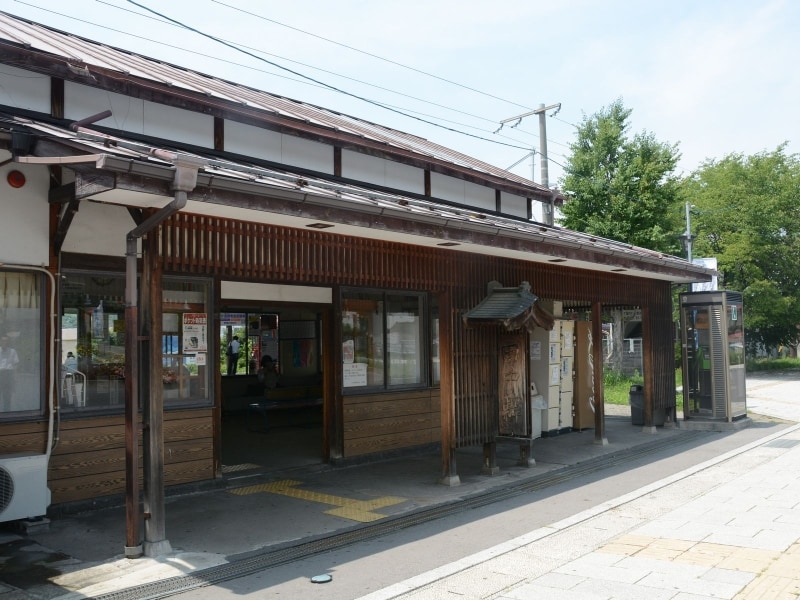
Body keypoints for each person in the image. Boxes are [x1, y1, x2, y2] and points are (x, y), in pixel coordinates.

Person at [0, 335, 20, 411]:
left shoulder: (12, 351)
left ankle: (7, 412)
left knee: (7, 396)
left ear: (8, 342)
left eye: (6, 341)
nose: (4, 342)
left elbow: (15, 365)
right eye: (3, 340)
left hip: (8, 374)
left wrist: (15, 377)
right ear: (0, 341)